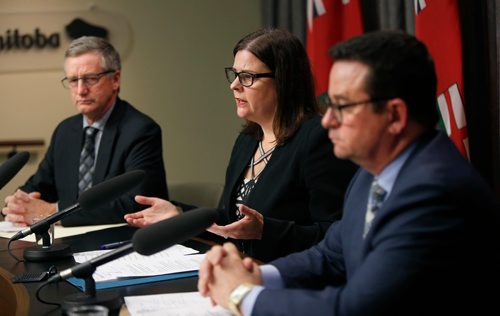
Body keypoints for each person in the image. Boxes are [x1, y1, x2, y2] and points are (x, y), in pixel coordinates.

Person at [197, 31, 500, 316]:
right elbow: (330, 255)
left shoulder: (435, 193)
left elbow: (354, 310)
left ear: (394, 116)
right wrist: (257, 274)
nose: (327, 121)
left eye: (342, 106)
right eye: (329, 104)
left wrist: (241, 295)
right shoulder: (374, 172)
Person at [125, 29, 357, 262]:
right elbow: (231, 221)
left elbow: (338, 235)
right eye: (235, 74)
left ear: (284, 80)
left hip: (290, 279)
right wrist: (178, 214)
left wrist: (267, 230)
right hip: (242, 272)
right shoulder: (248, 139)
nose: (234, 85)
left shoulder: (318, 138)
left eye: (247, 77)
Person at [1, 36, 168, 227]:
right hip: (69, 241)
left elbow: (138, 203)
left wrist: (53, 212)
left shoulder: (140, 130)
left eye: (90, 79)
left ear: (115, 79)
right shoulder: (65, 131)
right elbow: (39, 187)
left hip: (121, 243)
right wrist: (18, 204)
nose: (81, 90)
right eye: (73, 80)